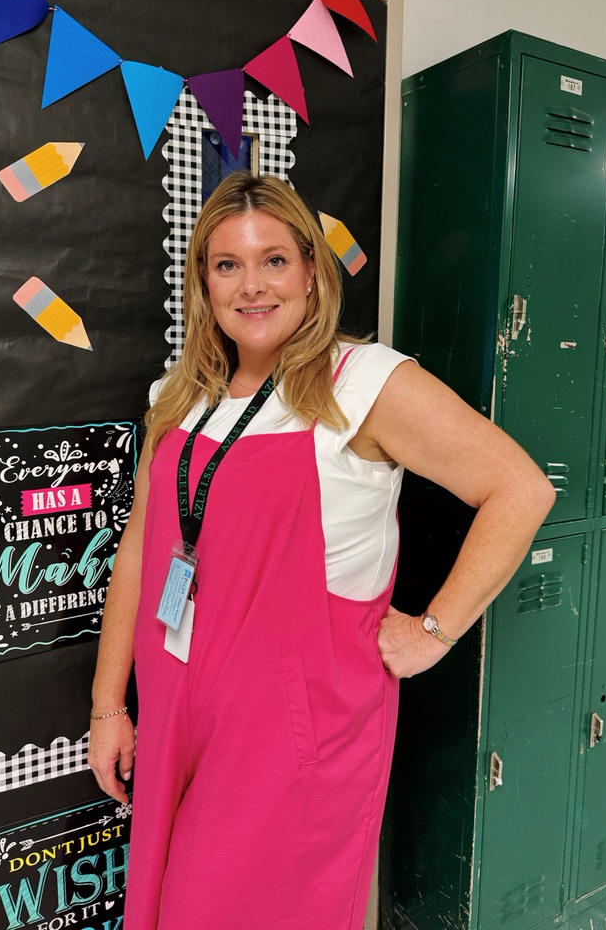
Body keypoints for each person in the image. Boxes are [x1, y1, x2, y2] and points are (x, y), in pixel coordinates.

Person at [87, 170, 554, 930]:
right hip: (177, 702)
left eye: (274, 259)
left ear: (311, 269)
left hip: (289, 727)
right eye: (227, 265)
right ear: (203, 284)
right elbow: (140, 551)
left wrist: (433, 632)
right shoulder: (178, 397)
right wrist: (110, 705)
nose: (252, 286)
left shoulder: (362, 380)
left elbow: (520, 490)